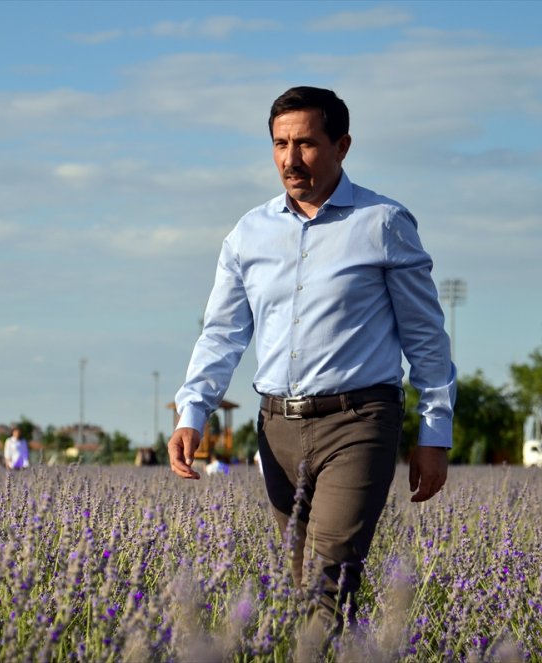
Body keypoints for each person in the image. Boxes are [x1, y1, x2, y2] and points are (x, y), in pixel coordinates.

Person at [167, 86, 455, 637]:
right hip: (276, 427)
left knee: (327, 581)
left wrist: (433, 432)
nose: (290, 159)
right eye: (279, 144)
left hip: (360, 422)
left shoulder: (384, 223)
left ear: (342, 145)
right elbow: (222, 333)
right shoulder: (248, 233)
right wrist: (192, 412)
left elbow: (426, 339)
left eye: (306, 143)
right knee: (301, 587)